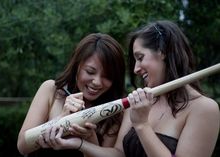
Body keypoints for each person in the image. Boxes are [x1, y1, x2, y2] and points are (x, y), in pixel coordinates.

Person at [49, 20, 220, 157]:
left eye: (140, 57)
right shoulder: (139, 102)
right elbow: (118, 154)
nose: (136, 69)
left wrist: (142, 125)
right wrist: (79, 144)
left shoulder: (204, 109)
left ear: (163, 52)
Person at [17, 33, 126, 156]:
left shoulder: (115, 111)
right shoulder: (51, 90)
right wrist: (60, 120)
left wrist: (89, 137)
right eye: (90, 72)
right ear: (77, 66)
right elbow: (22, 146)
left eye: (108, 76)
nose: (97, 82)